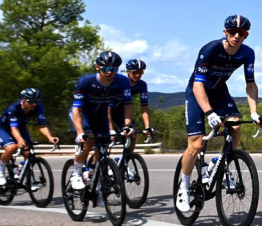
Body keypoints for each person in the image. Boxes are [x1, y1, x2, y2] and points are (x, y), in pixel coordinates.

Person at [175, 14, 262, 213]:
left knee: (236, 124)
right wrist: (209, 113)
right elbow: (198, 84)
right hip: (197, 92)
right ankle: (184, 187)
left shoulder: (247, 53)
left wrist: (254, 112)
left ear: (246, 35)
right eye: (232, 31)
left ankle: (220, 161)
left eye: (241, 33)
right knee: (196, 144)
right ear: (225, 32)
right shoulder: (210, 49)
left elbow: (250, 84)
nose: (236, 36)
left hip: (218, 91)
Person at [69, 51, 135, 191]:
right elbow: (76, 110)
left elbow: (128, 105)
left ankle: (96, 179)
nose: (109, 72)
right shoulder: (86, 81)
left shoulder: (122, 81)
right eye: (105, 68)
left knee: (103, 147)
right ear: (97, 67)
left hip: (101, 114)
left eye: (113, 69)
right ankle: (76, 173)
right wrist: (80, 133)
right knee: (89, 140)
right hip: (83, 114)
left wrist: (126, 126)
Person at [0, 88, 59, 186]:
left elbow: (42, 125)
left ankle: (27, 178)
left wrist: (50, 137)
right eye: (31, 101)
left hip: (21, 127)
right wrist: (19, 140)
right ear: (23, 100)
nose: (34, 104)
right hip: (4, 128)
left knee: (28, 152)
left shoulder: (38, 108)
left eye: (36, 101)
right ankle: (0, 170)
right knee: (12, 147)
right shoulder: (13, 108)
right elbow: (13, 128)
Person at [109, 58, 154, 151]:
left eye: (140, 72)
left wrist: (147, 127)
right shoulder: (120, 81)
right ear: (128, 72)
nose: (137, 75)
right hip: (107, 109)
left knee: (132, 133)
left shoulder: (142, 85)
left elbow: (144, 107)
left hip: (121, 111)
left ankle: (125, 160)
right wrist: (110, 128)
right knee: (106, 138)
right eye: (134, 72)